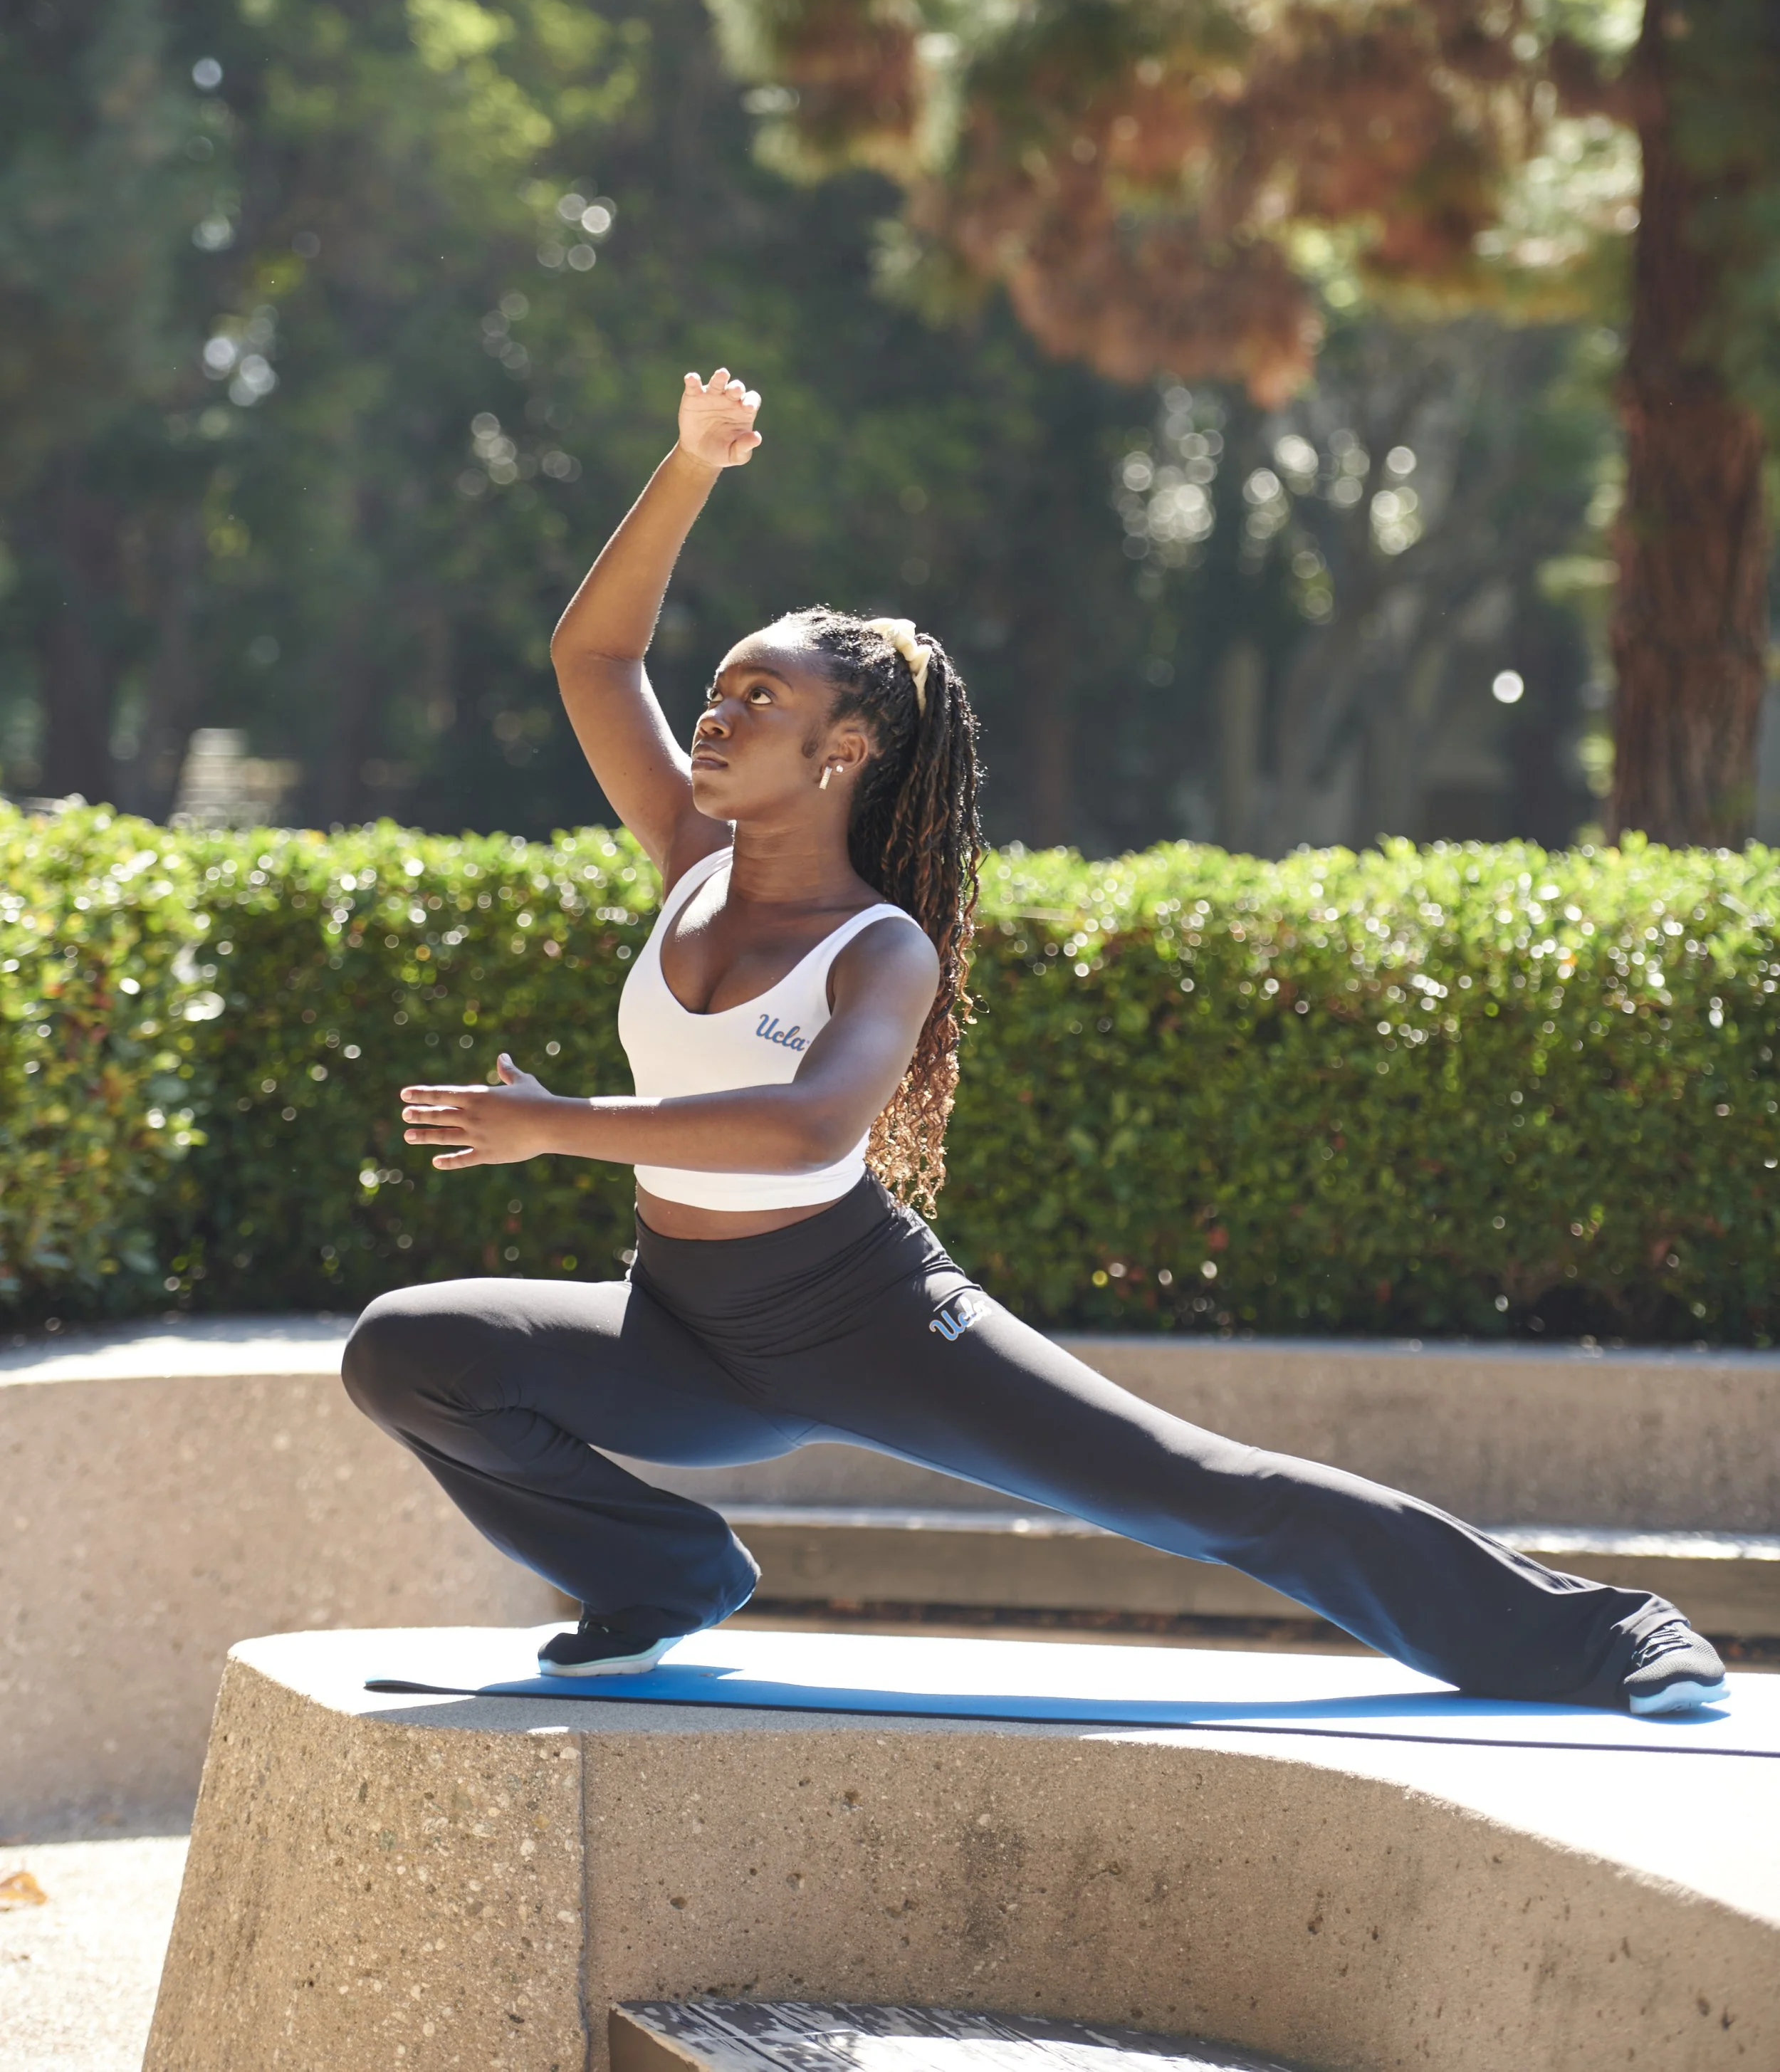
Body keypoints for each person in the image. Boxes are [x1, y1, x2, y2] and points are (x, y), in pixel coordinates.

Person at [343, 367, 1727, 1716]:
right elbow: (592, 655)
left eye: (757, 700)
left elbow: (810, 1126)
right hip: (681, 1328)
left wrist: (560, 1123)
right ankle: (662, 1578)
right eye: (716, 690)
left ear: (844, 753)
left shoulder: (879, 945)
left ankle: (1608, 1636)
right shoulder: (686, 860)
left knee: (1195, 1491)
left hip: (864, 1321)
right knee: (407, 1351)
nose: (713, 714)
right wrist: (692, 468)